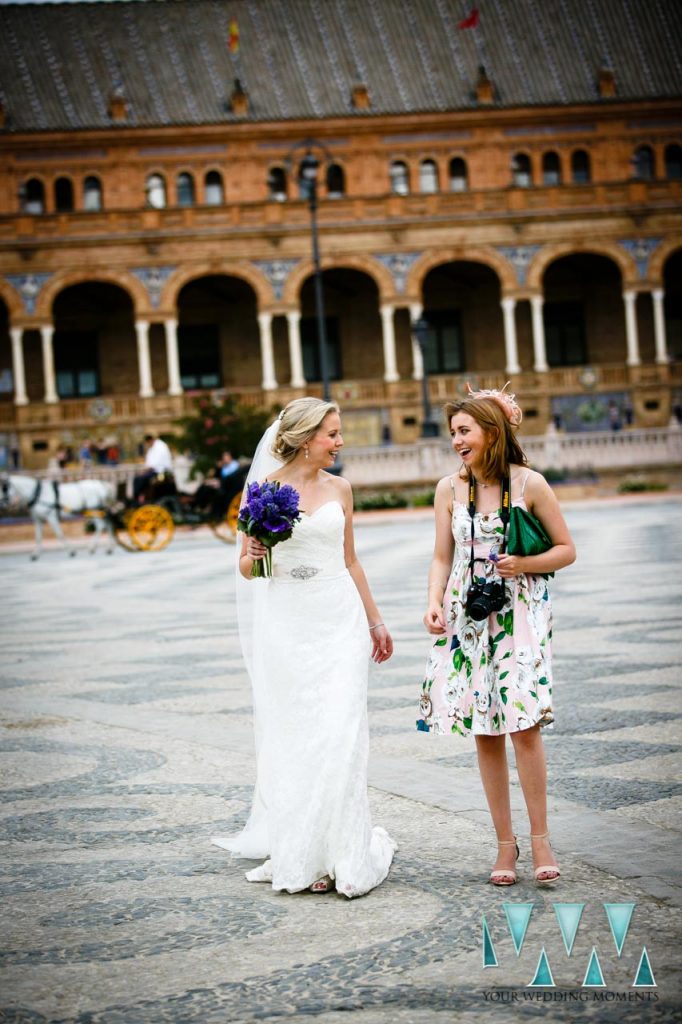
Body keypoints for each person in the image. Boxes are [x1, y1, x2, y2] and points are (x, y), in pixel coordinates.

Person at [212, 397, 396, 898]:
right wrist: (253, 553)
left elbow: (351, 560)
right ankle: (307, 854)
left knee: (342, 730)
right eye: (331, 434)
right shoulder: (265, 491)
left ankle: (344, 852)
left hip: (339, 616)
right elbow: (250, 571)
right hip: (288, 619)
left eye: (338, 434)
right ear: (303, 437)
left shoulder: (342, 488)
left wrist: (375, 620)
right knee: (298, 735)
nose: (339, 442)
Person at [417, 385, 575, 887]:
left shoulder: (530, 484)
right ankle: (504, 847)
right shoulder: (449, 489)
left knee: (523, 724)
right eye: (452, 434)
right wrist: (433, 602)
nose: (456, 441)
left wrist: (522, 563)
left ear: (491, 431)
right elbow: (442, 555)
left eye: (464, 431)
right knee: (484, 728)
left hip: (518, 614)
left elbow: (566, 550)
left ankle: (541, 839)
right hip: (468, 615)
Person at [133, 433, 173, 502]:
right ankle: (140, 498)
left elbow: (153, 465)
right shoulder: (154, 447)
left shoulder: (160, 447)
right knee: (138, 479)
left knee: (139, 479)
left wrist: (144, 472)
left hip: (160, 472)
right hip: (155, 471)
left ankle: (137, 500)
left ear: (150, 440)